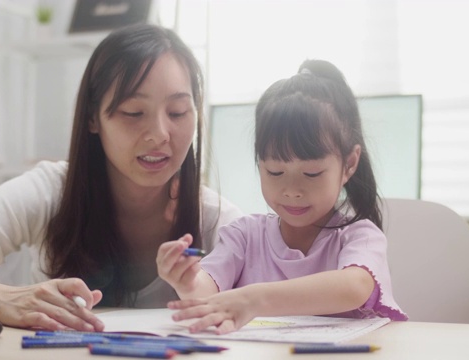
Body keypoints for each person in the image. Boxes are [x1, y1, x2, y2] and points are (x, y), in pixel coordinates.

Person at [0, 23, 242, 332]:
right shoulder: (48, 192)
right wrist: (4, 297)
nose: (160, 135)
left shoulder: (216, 220)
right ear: (92, 117)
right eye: (133, 112)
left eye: (177, 113)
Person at [156, 59, 408, 335]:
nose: (292, 190)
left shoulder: (359, 235)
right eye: (275, 172)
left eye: (311, 173)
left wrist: (254, 299)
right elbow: (207, 293)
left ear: (349, 164)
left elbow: (354, 287)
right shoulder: (243, 235)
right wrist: (187, 281)